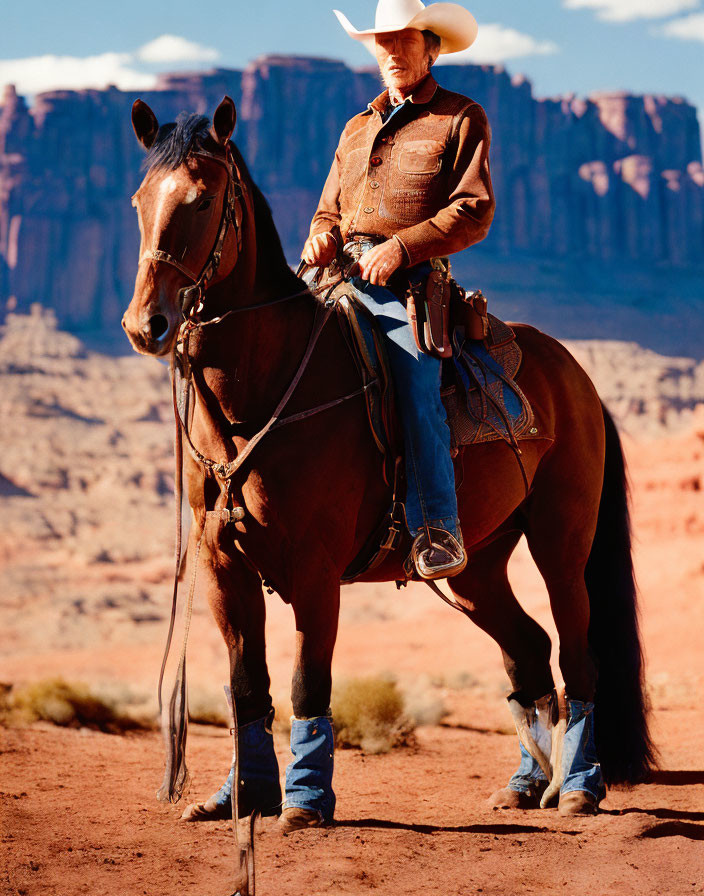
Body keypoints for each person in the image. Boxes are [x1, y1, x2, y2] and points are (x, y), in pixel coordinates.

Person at [302, 0, 495, 580]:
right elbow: (328, 210)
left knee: (415, 382)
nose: (389, 52)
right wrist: (319, 237)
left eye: (402, 40)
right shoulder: (356, 127)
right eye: (380, 43)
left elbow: (473, 209)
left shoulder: (461, 118)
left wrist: (402, 248)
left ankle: (438, 526)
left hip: (409, 288)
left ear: (430, 48)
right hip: (337, 278)